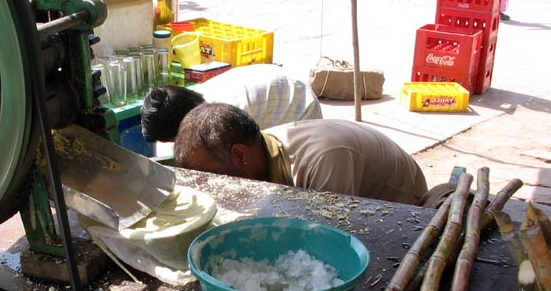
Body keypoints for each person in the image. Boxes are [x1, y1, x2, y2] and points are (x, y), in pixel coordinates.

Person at [173, 102, 429, 206]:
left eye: (207, 175)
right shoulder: (261, 150)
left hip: (402, 212)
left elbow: (328, 238)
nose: (205, 185)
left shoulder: (322, 159)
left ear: (240, 156)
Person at [140, 63, 323, 142]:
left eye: (174, 139)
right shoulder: (195, 100)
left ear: (183, 124)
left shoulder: (226, 118)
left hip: (299, 111)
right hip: (274, 94)